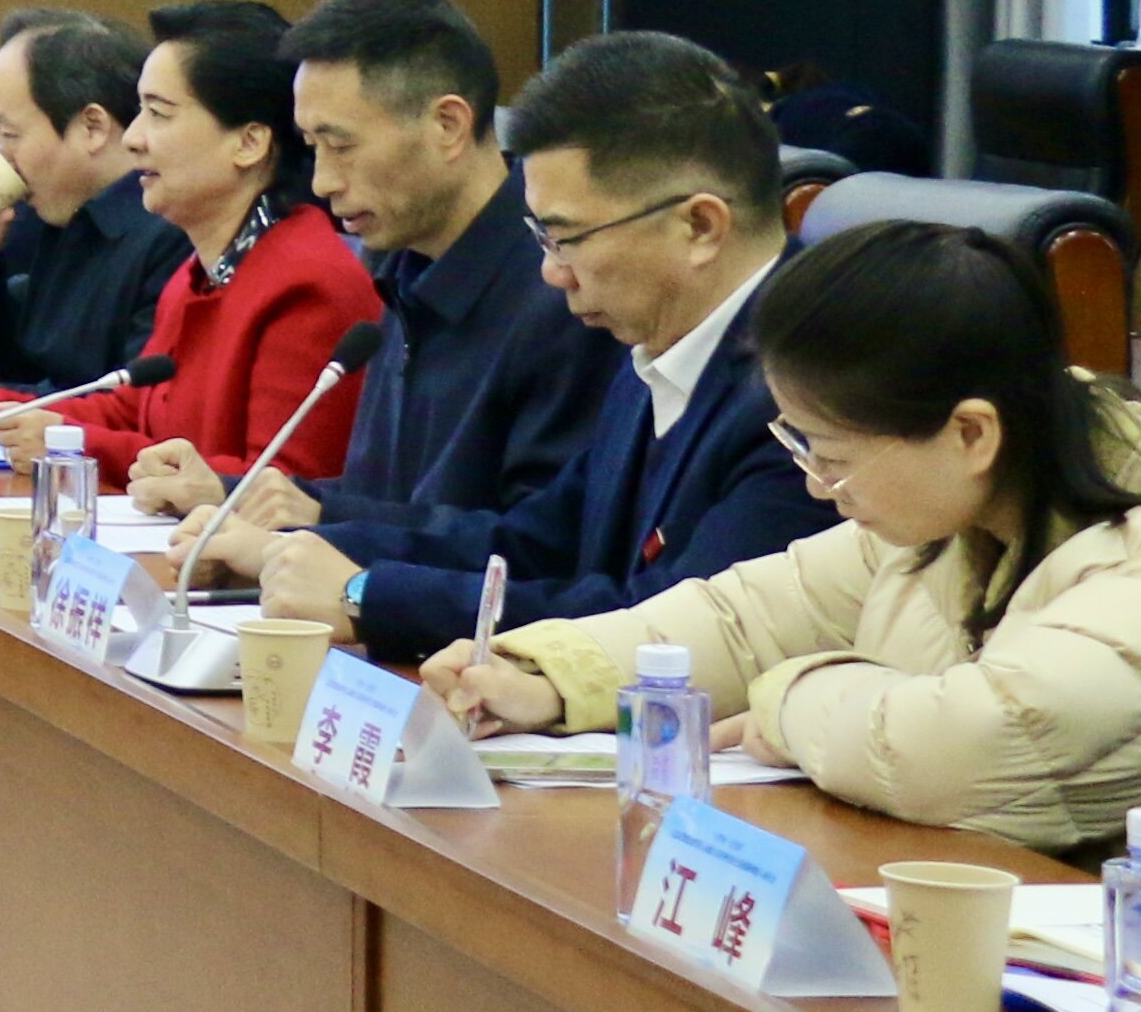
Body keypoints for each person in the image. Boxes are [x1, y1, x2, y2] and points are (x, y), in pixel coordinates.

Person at [430, 222, 1141, 850]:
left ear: (971, 434)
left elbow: (963, 748)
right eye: (803, 449)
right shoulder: (949, 515)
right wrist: (547, 679)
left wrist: (784, 703)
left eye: (833, 457)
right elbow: (748, 618)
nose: (818, 488)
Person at [221, 30, 807, 662]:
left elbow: (666, 630)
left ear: (699, 226)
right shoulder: (659, 340)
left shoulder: (810, 388)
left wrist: (367, 595)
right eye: (541, 238)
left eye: (566, 238)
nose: (551, 272)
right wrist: (305, 545)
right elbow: (531, 543)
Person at [146, 0, 611, 538]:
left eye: (341, 146)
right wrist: (231, 496)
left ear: (447, 126)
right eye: (312, 147)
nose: (322, 182)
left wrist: (328, 520)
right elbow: (386, 501)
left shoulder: (563, 292)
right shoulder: (399, 268)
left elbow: (539, 548)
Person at [0, 0, 372, 489]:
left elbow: (280, 490)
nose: (134, 138)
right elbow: (126, 410)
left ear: (249, 143)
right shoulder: (202, 270)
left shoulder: (307, 283)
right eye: (140, 111)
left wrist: (77, 444)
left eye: (159, 114)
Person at [0, 8, 184, 407]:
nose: (0, 160)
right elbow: (9, 375)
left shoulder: (171, 234)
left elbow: (126, 408)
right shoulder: (60, 218)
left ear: (93, 127)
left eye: (10, 134)